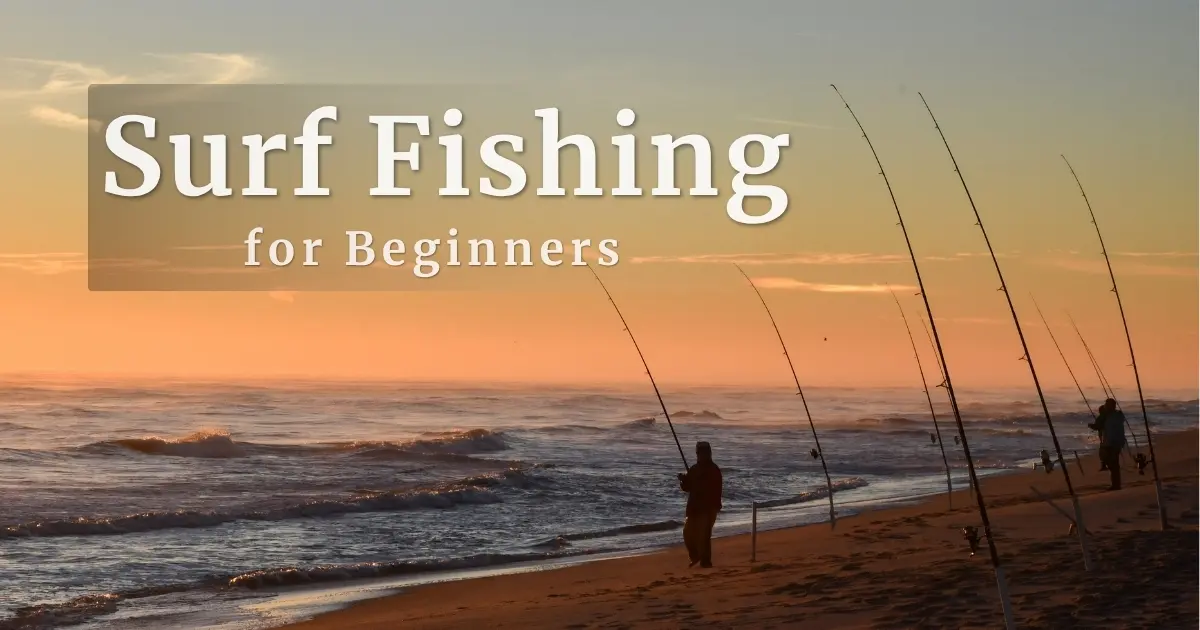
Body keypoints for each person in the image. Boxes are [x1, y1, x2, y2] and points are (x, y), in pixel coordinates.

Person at [678, 441, 723, 568]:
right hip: (694, 508)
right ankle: (695, 555)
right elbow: (688, 487)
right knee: (687, 533)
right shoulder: (694, 469)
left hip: (708, 508)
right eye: (699, 453)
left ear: (709, 453)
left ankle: (705, 562)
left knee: (704, 535)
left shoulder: (714, 470)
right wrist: (683, 481)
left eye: (704, 453)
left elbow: (714, 488)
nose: (701, 455)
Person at [1094, 398, 1126, 490]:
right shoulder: (1118, 415)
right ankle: (1116, 484)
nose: (1105, 406)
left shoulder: (1107, 416)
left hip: (1111, 442)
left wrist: (1092, 425)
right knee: (1113, 463)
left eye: (1107, 404)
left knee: (1113, 464)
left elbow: (1098, 426)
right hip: (1117, 442)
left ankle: (1116, 485)